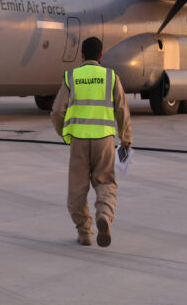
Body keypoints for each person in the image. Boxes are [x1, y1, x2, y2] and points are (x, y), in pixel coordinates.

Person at [51, 37, 132, 247]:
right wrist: (126, 139)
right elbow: (122, 110)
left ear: (82, 55)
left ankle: (85, 232)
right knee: (105, 182)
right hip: (104, 140)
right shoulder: (111, 77)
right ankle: (104, 214)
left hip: (78, 140)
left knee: (77, 190)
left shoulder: (72, 77)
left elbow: (57, 111)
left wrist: (64, 133)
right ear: (101, 56)